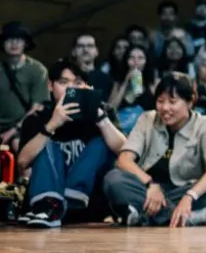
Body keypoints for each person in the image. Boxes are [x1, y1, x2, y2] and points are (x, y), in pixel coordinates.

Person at [103, 72, 206, 226]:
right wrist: (150, 184)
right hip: (147, 191)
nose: (165, 108)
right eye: (160, 101)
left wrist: (189, 196)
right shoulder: (147, 119)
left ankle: (147, 217)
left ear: (191, 101)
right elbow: (124, 160)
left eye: (172, 102)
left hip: (185, 190)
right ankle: (189, 217)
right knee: (113, 179)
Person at [17, 59, 128, 227]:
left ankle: (72, 194)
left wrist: (100, 118)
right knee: (46, 142)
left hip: (84, 205)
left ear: (85, 85)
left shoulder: (103, 111)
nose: (71, 88)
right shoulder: (37, 118)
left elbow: (124, 152)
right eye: (63, 82)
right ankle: (51, 202)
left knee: (102, 141)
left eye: (77, 82)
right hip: (45, 209)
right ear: (50, 85)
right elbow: (22, 163)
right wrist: (51, 126)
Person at [1, 22, 49, 145]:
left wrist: (13, 131)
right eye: (9, 39)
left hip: (24, 127)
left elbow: (37, 108)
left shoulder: (38, 70)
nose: (14, 43)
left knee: (18, 144)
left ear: (25, 43)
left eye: (18, 39)